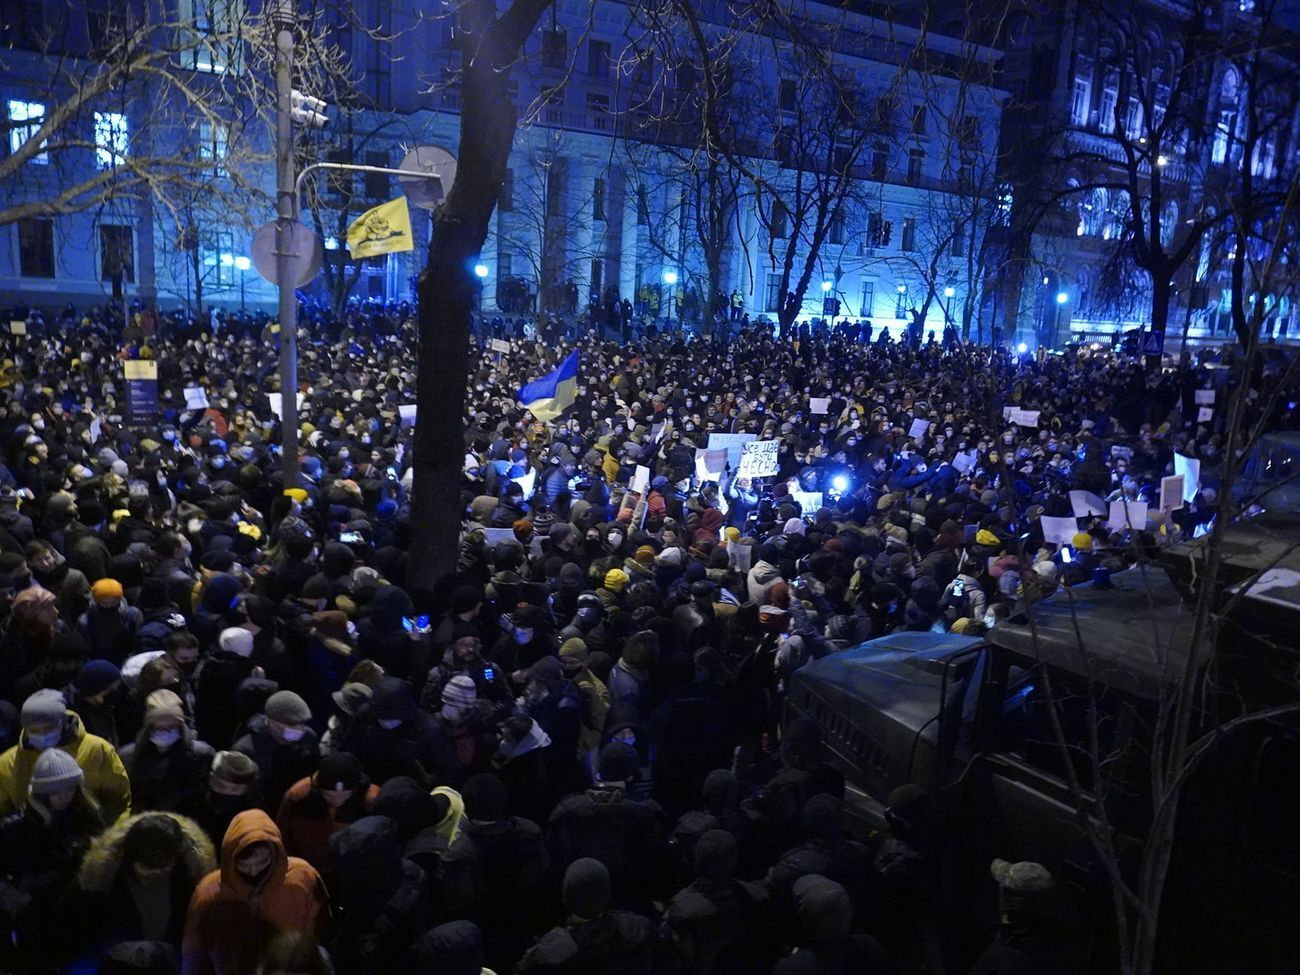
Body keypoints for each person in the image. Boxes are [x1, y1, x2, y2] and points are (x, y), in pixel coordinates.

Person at [180, 809, 329, 975]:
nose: (253, 871)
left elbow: (319, 930)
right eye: (244, 864)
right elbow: (194, 950)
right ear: (231, 858)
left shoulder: (301, 877)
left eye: (261, 862)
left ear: (274, 853)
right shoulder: (210, 891)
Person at [0, 748, 106, 970]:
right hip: (36, 917)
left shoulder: (89, 819)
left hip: (78, 914)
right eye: (55, 792)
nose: (63, 797)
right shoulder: (17, 827)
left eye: (69, 789)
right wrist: (17, 898)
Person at [74, 812, 216, 960]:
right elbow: (79, 927)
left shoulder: (189, 876)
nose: (153, 877)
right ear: (130, 860)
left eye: (161, 871)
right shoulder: (103, 878)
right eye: (145, 871)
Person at [0, 687, 132, 822]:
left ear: (62, 723)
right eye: (34, 730)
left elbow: (119, 800)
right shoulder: (8, 764)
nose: (42, 735)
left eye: (48, 728)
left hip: (91, 832)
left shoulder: (97, 749)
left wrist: (112, 836)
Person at [515, 858, 660, 975]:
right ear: (607, 893)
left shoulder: (548, 953)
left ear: (565, 897)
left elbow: (521, 970)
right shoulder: (641, 928)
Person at [275, 751, 378, 870]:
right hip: (308, 865)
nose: (337, 801)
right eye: (329, 795)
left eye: (345, 795)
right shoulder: (298, 796)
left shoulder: (371, 801)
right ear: (318, 788)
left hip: (351, 871)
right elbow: (282, 832)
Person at [120, 689, 216, 813]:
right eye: (159, 727)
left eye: (172, 727)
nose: (166, 732)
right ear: (149, 727)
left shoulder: (201, 754)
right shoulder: (130, 756)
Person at [231, 690, 320, 813]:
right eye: (292, 725)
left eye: (301, 724)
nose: (299, 730)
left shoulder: (308, 738)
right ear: (272, 723)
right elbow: (250, 796)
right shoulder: (247, 750)